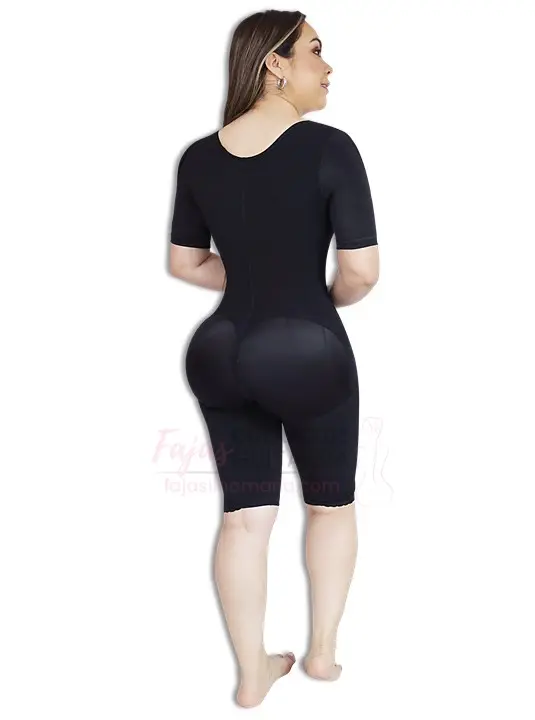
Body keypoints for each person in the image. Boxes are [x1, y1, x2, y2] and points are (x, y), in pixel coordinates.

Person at [168, 9, 379, 708]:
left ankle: (252, 676)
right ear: (275, 65)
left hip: (219, 350)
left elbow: (185, 262)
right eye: (315, 50)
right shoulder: (329, 148)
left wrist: (256, 279)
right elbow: (361, 272)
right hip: (306, 348)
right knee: (330, 505)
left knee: (242, 518)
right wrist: (313, 299)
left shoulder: (199, 157)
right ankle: (320, 654)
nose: (328, 66)